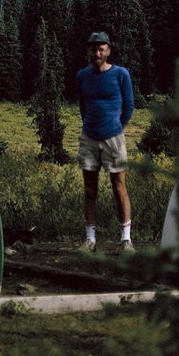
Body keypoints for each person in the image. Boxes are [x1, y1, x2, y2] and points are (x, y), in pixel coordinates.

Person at [75, 31, 135, 253]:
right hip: (89, 137)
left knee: (119, 188)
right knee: (90, 190)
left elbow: (129, 106)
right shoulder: (82, 76)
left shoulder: (121, 74)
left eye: (101, 49)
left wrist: (116, 128)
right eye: (93, 49)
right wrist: (92, 125)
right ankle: (90, 240)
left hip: (114, 138)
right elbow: (83, 106)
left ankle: (126, 240)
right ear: (88, 51)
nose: (97, 53)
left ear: (108, 50)